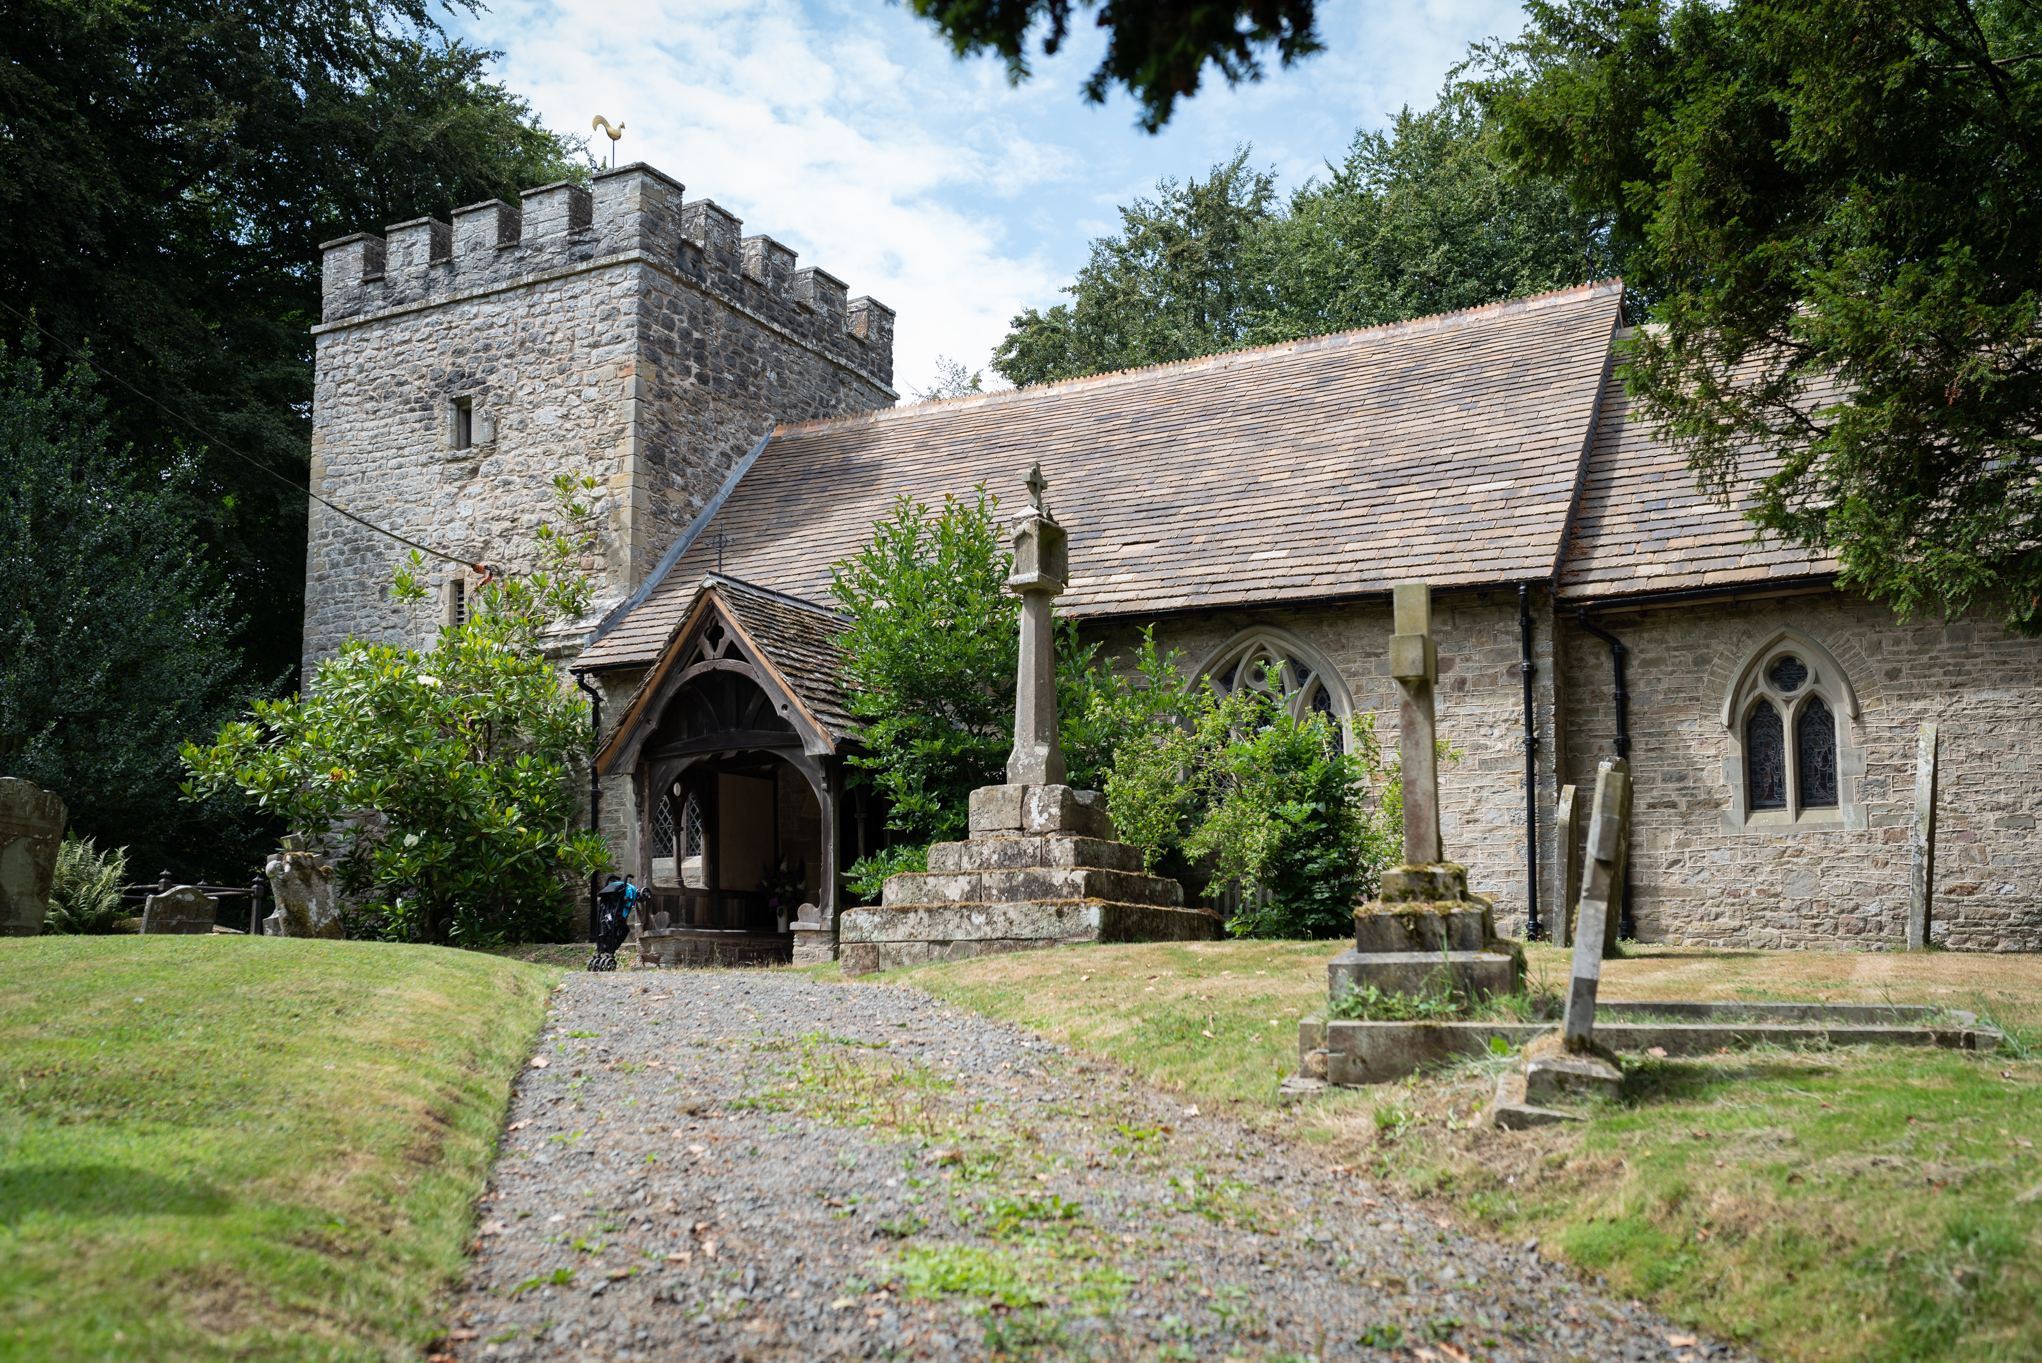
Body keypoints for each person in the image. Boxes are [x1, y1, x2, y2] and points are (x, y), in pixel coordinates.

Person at [589, 873, 631, 972]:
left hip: (612, 919)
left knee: (612, 929)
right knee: (610, 930)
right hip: (610, 920)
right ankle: (604, 951)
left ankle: (605, 950)